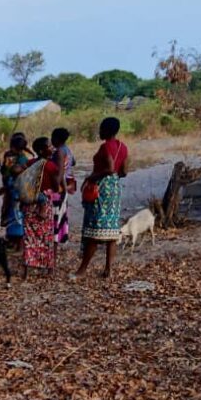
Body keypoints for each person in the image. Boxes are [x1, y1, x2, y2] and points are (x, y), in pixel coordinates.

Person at [73, 117, 129, 280]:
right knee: (111, 229)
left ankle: (82, 270)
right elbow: (123, 171)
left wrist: (91, 177)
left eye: (101, 128)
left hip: (101, 187)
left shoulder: (105, 147)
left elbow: (110, 168)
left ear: (106, 130)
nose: (99, 131)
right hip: (115, 188)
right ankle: (108, 270)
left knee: (94, 229)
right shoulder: (123, 147)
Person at [21, 137, 62, 276]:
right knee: (46, 237)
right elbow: (56, 187)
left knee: (29, 237)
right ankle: (49, 268)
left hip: (29, 204)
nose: (52, 148)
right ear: (41, 150)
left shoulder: (29, 163)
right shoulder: (51, 166)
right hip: (44, 203)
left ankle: (27, 268)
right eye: (49, 146)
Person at [0, 133, 32, 248]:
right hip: (10, 190)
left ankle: (19, 244)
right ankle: (12, 240)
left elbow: (21, 178)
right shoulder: (10, 156)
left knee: (17, 217)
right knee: (10, 215)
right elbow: (6, 171)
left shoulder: (23, 160)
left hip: (17, 192)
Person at [51, 128, 76, 245]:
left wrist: (57, 188)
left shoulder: (59, 152)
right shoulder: (68, 150)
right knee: (61, 213)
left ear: (56, 138)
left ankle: (55, 240)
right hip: (65, 185)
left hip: (60, 187)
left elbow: (60, 173)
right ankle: (59, 238)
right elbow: (73, 163)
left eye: (52, 137)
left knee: (56, 213)